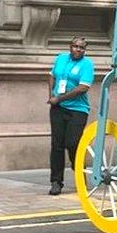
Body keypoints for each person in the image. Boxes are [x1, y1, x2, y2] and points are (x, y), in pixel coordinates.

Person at [47, 37, 94, 195]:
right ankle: (56, 182)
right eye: (75, 46)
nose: (78, 49)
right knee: (57, 145)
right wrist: (51, 95)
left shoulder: (87, 64)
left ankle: (80, 173)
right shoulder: (60, 59)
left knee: (73, 143)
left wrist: (59, 98)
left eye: (81, 47)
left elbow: (82, 88)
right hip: (58, 108)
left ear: (84, 50)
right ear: (70, 47)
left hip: (78, 110)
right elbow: (52, 75)